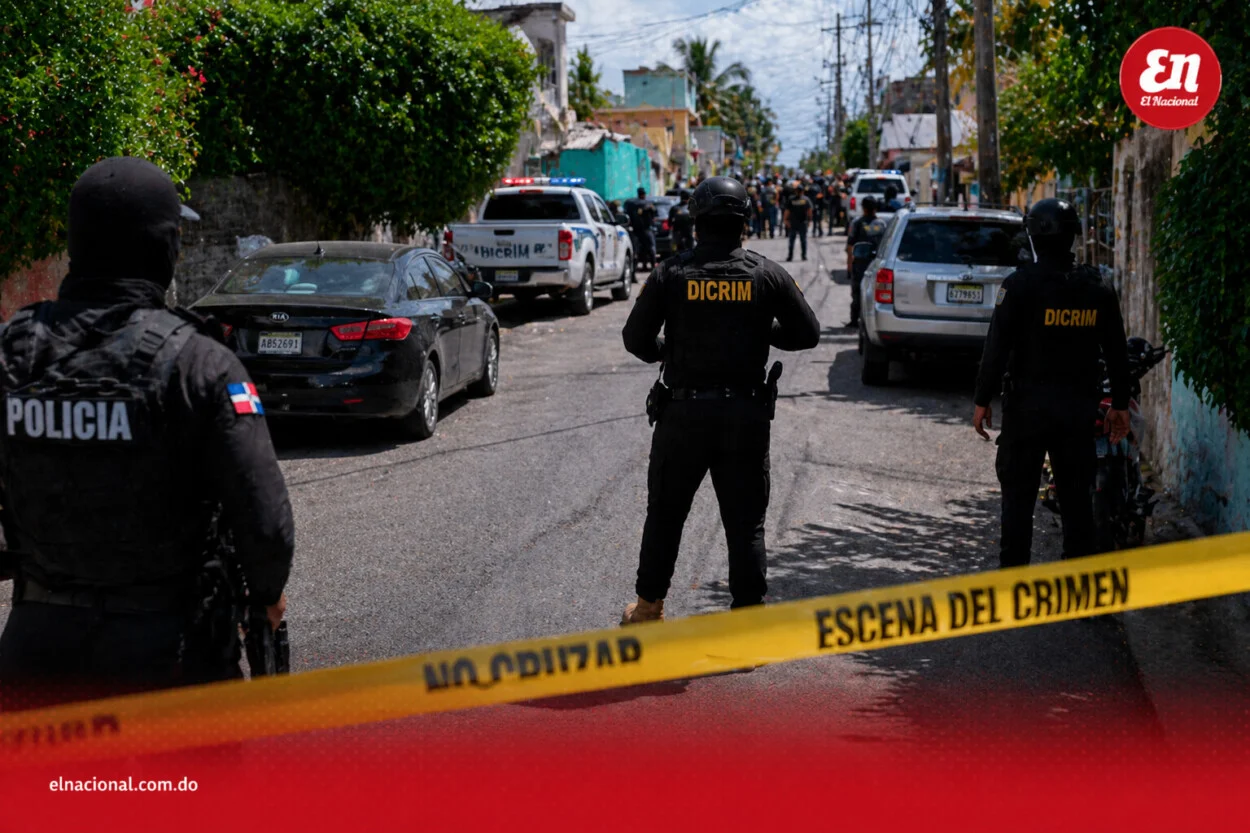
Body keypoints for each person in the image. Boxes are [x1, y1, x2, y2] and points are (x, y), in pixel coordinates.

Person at [0, 156, 295, 710]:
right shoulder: (201, 363)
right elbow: (265, 523)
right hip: (169, 656)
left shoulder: (11, 351)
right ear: (163, 247)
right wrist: (266, 598)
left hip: (36, 655)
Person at [619, 177, 820, 622]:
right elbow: (808, 333)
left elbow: (635, 339)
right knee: (745, 524)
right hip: (745, 417)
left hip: (682, 415)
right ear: (744, 221)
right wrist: (762, 329)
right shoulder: (767, 274)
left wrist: (665, 350)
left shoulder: (671, 273)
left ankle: (648, 608)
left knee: (666, 515)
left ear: (696, 221)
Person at [972, 197, 1131, 568]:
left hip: (1026, 411)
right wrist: (1120, 405)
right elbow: (1117, 350)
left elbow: (996, 348)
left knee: (1017, 502)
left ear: (1033, 236)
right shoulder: (1098, 286)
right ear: (1074, 235)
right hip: (1077, 412)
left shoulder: (1018, 286)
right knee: (1077, 505)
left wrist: (982, 400)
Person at [844, 197, 887, 326]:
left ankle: (854, 320)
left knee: (857, 292)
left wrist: (849, 265)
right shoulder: (882, 224)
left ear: (863, 208)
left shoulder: (857, 223)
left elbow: (850, 246)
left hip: (860, 263)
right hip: (877, 264)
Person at [624, 187, 658, 271]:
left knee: (636, 250)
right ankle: (653, 265)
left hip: (635, 231)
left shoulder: (631, 204)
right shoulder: (649, 204)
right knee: (651, 247)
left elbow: (627, 215)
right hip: (647, 230)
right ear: (644, 194)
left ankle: (635, 269)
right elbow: (654, 214)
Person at [783, 182, 811, 262]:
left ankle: (791, 256)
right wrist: (809, 220)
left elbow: (787, 211)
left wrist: (785, 220)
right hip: (801, 223)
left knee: (793, 240)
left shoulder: (792, 199)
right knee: (802, 240)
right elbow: (809, 211)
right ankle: (803, 256)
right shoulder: (805, 199)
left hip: (795, 223)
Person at [670, 189, 695, 253]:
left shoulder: (674, 208)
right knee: (691, 250)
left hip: (678, 234)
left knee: (677, 251)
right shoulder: (692, 207)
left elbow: (669, 223)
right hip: (689, 233)